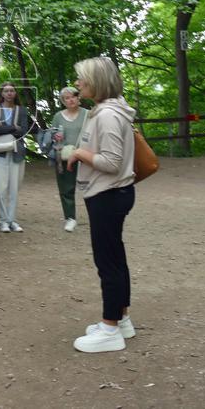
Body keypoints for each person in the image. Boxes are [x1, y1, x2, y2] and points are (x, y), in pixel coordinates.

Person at [66, 57, 137, 353]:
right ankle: (121, 320)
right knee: (115, 258)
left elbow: (111, 162)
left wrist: (79, 153)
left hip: (108, 194)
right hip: (114, 193)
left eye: (82, 78)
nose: (77, 84)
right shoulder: (112, 110)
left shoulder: (107, 115)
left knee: (107, 262)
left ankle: (110, 330)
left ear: (96, 82)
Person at [0, 82, 31, 233]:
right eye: (6, 91)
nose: (9, 93)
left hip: (17, 153)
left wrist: (6, 128)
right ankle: (3, 221)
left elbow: (24, 130)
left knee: (14, 188)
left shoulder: (22, 110)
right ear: (2, 93)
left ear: (15, 93)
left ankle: (12, 220)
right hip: (0, 152)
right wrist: (14, 127)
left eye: (12, 90)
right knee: (1, 187)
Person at [51, 86, 89, 232]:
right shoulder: (58, 117)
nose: (71, 100)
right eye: (67, 98)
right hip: (65, 156)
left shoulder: (88, 114)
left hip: (85, 155)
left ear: (78, 97)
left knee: (90, 186)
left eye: (73, 96)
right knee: (66, 188)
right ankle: (70, 218)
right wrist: (56, 137)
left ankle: (96, 215)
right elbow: (53, 136)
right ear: (63, 101)